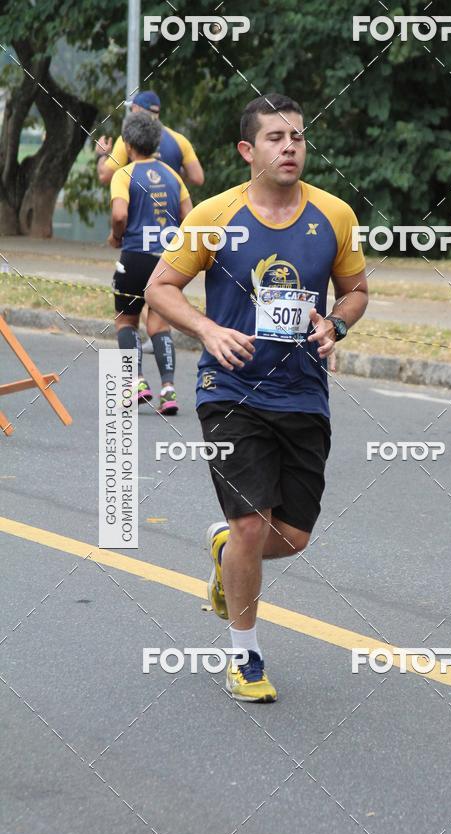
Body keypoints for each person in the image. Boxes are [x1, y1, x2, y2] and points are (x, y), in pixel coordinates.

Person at [146, 93, 368, 701]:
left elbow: (355, 292)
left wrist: (336, 324)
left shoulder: (335, 215)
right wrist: (208, 331)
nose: (290, 147)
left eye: (298, 136)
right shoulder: (215, 215)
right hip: (231, 388)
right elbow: (160, 288)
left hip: (303, 393)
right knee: (249, 523)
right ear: (248, 150)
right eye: (276, 137)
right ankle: (245, 656)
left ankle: (226, 554)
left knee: (292, 536)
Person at [109, 112, 192, 413]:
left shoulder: (124, 174)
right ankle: (168, 390)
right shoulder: (173, 176)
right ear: (157, 141)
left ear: (128, 144)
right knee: (159, 323)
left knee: (126, 320)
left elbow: (120, 214)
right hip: (167, 260)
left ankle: (137, 382)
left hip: (135, 257)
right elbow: (190, 217)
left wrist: (116, 235)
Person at [96, 91, 205, 187]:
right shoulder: (180, 140)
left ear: (136, 109)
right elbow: (197, 178)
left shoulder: (127, 139)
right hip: (170, 203)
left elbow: (104, 176)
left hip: (139, 203)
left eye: (131, 109)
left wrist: (102, 155)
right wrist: (172, 173)